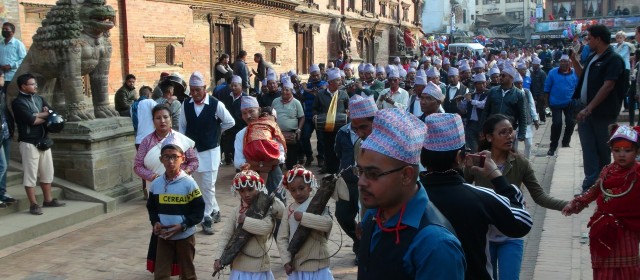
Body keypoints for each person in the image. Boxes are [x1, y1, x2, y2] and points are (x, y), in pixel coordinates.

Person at [420, 113, 533, 280]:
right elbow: (522, 222)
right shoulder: (479, 197)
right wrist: (496, 175)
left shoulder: (407, 197)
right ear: (460, 158)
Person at [356, 108, 465, 279]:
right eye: (360, 171)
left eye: (373, 174)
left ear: (406, 175)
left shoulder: (435, 244)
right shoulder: (373, 216)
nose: (361, 182)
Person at [464, 114, 567, 279]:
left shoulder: (521, 163)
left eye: (511, 131)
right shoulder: (477, 163)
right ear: (489, 137)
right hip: (483, 234)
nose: (509, 136)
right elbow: (463, 190)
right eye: (503, 132)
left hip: (512, 232)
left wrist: (569, 205)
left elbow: (539, 195)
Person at [563, 125, 640, 280]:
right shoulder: (607, 171)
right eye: (617, 150)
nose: (622, 154)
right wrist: (576, 203)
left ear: (636, 151)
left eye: (627, 150)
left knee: (629, 273)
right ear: (611, 150)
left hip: (627, 231)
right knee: (604, 274)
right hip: (602, 230)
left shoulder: (637, 174)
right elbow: (594, 190)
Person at [570, 24, 628, 193]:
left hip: (602, 112)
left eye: (589, 38)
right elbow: (582, 77)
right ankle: (590, 186)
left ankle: (604, 183)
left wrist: (589, 108)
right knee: (588, 148)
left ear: (598, 39)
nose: (587, 42)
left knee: (603, 149)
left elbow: (608, 85)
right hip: (584, 110)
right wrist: (574, 60)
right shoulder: (593, 57)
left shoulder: (613, 60)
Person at [179, 71, 235, 234]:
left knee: (209, 185)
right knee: (198, 185)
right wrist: (183, 147)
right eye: (192, 90)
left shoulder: (215, 104)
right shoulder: (186, 104)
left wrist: (216, 132)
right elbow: (182, 126)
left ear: (204, 88)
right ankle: (215, 209)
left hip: (210, 151)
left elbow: (229, 121)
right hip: (193, 151)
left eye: (198, 89)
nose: (195, 93)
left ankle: (206, 217)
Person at [146, 141, 205, 280]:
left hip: (185, 236)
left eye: (175, 157)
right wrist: (155, 222)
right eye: (166, 157)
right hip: (164, 236)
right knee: (160, 274)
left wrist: (183, 225)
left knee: (187, 273)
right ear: (161, 160)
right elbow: (152, 207)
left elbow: (198, 210)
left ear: (182, 159)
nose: (171, 161)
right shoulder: (156, 184)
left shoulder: (189, 183)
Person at [213, 167, 282, 279]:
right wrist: (218, 258)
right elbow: (226, 235)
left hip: (259, 267)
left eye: (250, 189)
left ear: (259, 187)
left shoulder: (266, 210)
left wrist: (246, 220)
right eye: (242, 191)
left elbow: (266, 227)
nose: (246, 194)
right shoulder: (236, 211)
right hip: (238, 267)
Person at [12, 73, 66, 215]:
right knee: (30, 175)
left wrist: (40, 114)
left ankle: (47, 200)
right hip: (29, 142)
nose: (35, 86)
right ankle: (33, 204)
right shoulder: (18, 102)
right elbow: (31, 121)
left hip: (44, 140)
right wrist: (43, 115)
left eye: (35, 84)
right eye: (32, 84)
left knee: (47, 172)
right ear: (23, 86)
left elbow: (54, 114)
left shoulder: (39, 98)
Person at [335, 94, 377, 265]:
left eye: (364, 127)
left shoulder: (391, 145)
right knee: (343, 214)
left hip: (386, 205)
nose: (360, 133)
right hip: (356, 188)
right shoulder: (359, 143)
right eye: (356, 128)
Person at [276, 165, 334, 279]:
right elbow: (282, 238)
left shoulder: (319, 205)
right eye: (293, 190)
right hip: (297, 265)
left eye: (301, 188)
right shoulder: (288, 210)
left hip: (318, 264)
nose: (297, 193)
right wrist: (286, 261)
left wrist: (304, 218)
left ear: (310, 187)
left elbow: (327, 224)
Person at [134, 104, 198, 199]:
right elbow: (137, 166)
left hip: (181, 183)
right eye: (158, 118)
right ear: (153, 121)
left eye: (165, 117)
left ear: (170, 119)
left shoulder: (180, 139)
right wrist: (155, 177)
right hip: (155, 186)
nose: (162, 121)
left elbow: (194, 161)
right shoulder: (146, 141)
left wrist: (184, 173)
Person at [234, 96, 286, 197]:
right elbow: (238, 162)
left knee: (278, 206)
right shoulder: (241, 134)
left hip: (274, 174)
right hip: (251, 178)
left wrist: (263, 165)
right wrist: (263, 166)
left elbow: (281, 156)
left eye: (251, 111)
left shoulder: (271, 128)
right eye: (244, 113)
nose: (248, 116)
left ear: (259, 110)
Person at [313, 68, 349, 174]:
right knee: (327, 147)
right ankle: (328, 167)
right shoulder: (321, 94)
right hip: (326, 127)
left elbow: (348, 106)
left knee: (339, 147)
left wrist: (348, 111)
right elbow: (315, 108)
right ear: (330, 82)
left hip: (340, 126)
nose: (340, 82)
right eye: (338, 80)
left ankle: (339, 168)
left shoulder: (343, 94)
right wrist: (315, 115)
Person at [482, 61, 527, 142]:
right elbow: (486, 111)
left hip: (509, 131)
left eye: (503, 76)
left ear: (511, 78)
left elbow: (522, 115)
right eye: (500, 75)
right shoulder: (493, 91)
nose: (500, 77)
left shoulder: (519, 94)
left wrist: (522, 133)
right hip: (493, 129)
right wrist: (482, 129)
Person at [544, 54, 578, 156]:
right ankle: (553, 146)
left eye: (565, 61)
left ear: (569, 62)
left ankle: (566, 142)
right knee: (557, 124)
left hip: (570, 102)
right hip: (555, 102)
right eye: (562, 61)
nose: (563, 63)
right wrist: (546, 104)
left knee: (571, 122)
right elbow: (547, 88)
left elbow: (578, 88)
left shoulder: (574, 73)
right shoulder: (552, 73)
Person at [272, 77, 305, 170]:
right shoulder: (275, 101)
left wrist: (299, 130)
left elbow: (302, 117)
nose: (284, 92)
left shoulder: (296, 103)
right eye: (282, 89)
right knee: (278, 161)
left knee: (291, 163)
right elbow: (271, 116)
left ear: (291, 91)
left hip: (291, 134)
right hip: (278, 134)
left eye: (287, 90)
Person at [300, 64, 328, 167]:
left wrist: (307, 89)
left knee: (321, 139)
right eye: (313, 75)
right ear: (310, 75)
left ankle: (321, 158)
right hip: (308, 116)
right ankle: (309, 156)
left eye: (317, 75)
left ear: (320, 74)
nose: (315, 77)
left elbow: (318, 93)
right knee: (305, 136)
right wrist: (302, 90)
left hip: (320, 116)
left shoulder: (324, 84)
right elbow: (302, 98)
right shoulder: (307, 85)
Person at [133, 86, 158, 198]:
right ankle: (153, 189)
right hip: (150, 139)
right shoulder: (150, 102)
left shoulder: (133, 105)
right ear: (149, 94)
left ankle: (145, 190)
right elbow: (160, 111)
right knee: (154, 164)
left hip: (139, 140)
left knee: (143, 166)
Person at [219, 75, 247, 166]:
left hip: (241, 129)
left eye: (236, 86)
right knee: (229, 153)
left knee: (240, 152)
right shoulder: (227, 98)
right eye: (232, 85)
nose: (233, 88)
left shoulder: (246, 98)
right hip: (229, 130)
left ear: (241, 87)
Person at [459, 73, 488, 153]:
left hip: (482, 124)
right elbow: (463, 109)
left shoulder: (488, 93)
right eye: (480, 83)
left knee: (482, 147)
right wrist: (459, 102)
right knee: (473, 148)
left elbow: (482, 105)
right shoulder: (471, 94)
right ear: (475, 85)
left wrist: (470, 101)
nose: (482, 85)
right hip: (471, 124)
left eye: (484, 83)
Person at [512, 73, 539, 159]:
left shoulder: (527, 92)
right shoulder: (512, 93)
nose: (519, 85)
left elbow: (532, 106)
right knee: (513, 144)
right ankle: (514, 161)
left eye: (521, 83)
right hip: (515, 123)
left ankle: (526, 160)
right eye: (517, 83)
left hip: (526, 121)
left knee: (529, 143)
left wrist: (535, 118)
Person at [0, 72, 14, 207]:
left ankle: (2, 193)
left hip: (5, 133)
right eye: (2, 77)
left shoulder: (4, 93)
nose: (3, 79)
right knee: (2, 165)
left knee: (4, 166)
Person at [0, 22, 26, 88]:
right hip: (1, 76)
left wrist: (11, 65)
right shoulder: (1, 44)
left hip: (12, 76)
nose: (4, 31)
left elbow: (24, 59)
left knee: (10, 96)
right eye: (3, 29)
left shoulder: (18, 44)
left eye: (6, 29)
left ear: (12, 32)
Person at [530, 56, 548, 124]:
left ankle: (543, 119)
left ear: (538, 65)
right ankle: (535, 119)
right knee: (534, 107)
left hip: (540, 93)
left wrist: (542, 94)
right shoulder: (532, 72)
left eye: (534, 65)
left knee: (541, 107)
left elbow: (544, 84)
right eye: (533, 65)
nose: (533, 66)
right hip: (534, 92)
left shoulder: (542, 73)